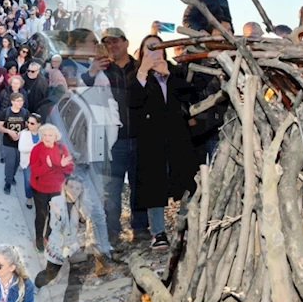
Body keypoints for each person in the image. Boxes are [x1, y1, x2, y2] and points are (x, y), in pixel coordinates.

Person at [83, 28, 149, 244]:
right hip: (112, 140)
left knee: (140, 185)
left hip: (140, 137)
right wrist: (91, 73)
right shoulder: (102, 70)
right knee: (112, 189)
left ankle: (140, 228)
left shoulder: (140, 67)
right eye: (108, 43)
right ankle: (112, 234)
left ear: (126, 42)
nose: (112, 46)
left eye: (116, 41)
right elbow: (82, 92)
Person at [132, 35, 198, 250]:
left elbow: (189, 96)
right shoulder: (137, 74)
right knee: (154, 183)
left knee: (186, 178)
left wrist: (168, 76)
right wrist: (143, 71)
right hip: (151, 137)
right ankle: (158, 232)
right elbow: (134, 101)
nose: (153, 52)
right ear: (141, 52)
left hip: (177, 134)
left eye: (157, 47)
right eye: (148, 48)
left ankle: (184, 224)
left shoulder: (175, 71)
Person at [28, 124, 74, 252]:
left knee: (55, 215)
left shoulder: (61, 148)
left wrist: (59, 165)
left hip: (57, 189)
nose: (47, 138)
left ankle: (47, 236)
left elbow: (69, 168)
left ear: (55, 137)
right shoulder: (37, 149)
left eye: (50, 135)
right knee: (41, 215)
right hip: (40, 188)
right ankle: (38, 239)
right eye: (45, 135)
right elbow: (35, 171)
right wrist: (51, 166)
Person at [0, 93, 30, 195]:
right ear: (12, 101)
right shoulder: (6, 112)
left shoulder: (25, 113)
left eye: (21, 101)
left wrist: (22, 132)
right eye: (18, 101)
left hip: (21, 143)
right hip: (8, 142)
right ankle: (7, 182)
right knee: (10, 163)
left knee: (17, 162)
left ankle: (12, 177)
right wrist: (9, 131)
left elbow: (28, 126)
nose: (20, 103)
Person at [18, 114, 41, 209]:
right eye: (28, 122)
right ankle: (29, 197)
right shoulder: (24, 133)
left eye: (32, 123)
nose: (29, 125)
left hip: (39, 163)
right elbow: (22, 148)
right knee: (28, 182)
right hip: (28, 162)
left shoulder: (42, 134)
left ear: (38, 124)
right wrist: (36, 147)